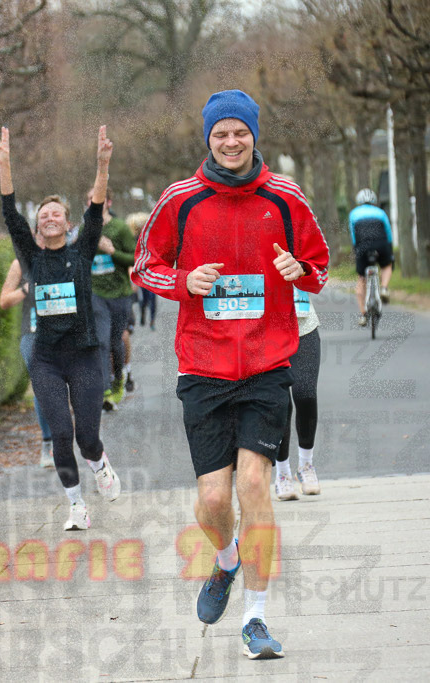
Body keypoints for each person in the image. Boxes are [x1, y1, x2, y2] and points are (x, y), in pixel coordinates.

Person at [132, 89, 329, 660]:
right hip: (203, 366)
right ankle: (224, 562)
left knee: (252, 485)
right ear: (208, 139)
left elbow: (319, 266)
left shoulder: (286, 197)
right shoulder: (181, 200)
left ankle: (257, 617)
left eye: (240, 132)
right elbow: (147, 264)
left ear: (254, 135)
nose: (232, 141)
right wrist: (183, 281)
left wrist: (300, 269)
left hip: (268, 363)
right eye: (221, 133)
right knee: (215, 500)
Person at [0, 124, 122, 531]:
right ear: (37, 227)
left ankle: (99, 463)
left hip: (84, 356)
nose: (50, 218)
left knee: (86, 435)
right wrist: (5, 164)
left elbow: (96, 207)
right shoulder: (30, 258)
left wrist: (102, 164)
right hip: (47, 359)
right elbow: (9, 212)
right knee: (61, 433)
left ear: (68, 225)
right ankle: (75, 504)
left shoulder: (82, 250)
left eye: (57, 214)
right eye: (43, 214)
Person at [0, 230, 54, 468]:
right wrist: (25, 290)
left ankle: (63, 436)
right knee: (42, 387)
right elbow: (4, 300)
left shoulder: (66, 259)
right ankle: (48, 443)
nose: (42, 242)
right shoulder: (19, 264)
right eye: (38, 237)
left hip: (62, 333)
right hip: (32, 332)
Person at [91, 190, 138, 410]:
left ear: (108, 202)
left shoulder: (119, 228)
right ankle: (104, 388)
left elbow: (135, 258)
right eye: (91, 200)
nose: (95, 203)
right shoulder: (86, 228)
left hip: (119, 293)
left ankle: (118, 379)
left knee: (115, 342)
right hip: (95, 294)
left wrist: (112, 252)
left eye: (99, 199)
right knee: (100, 341)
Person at [274, 289, 321, 500]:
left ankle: (306, 465)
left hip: (304, 323)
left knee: (306, 393)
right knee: (280, 401)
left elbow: (318, 270)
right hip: (268, 326)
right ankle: (282, 473)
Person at [349, 188, 393, 326]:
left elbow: (353, 235)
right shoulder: (380, 212)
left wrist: (356, 249)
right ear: (373, 200)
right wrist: (389, 248)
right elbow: (388, 232)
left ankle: (363, 314)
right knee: (387, 265)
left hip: (362, 246)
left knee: (361, 278)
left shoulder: (353, 214)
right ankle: (384, 288)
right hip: (381, 244)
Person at [126, 213, 156, 330]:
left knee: (153, 297)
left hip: (152, 270)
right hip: (140, 272)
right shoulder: (133, 239)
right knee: (144, 298)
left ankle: (152, 320)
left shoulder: (151, 237)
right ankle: (143, 314)